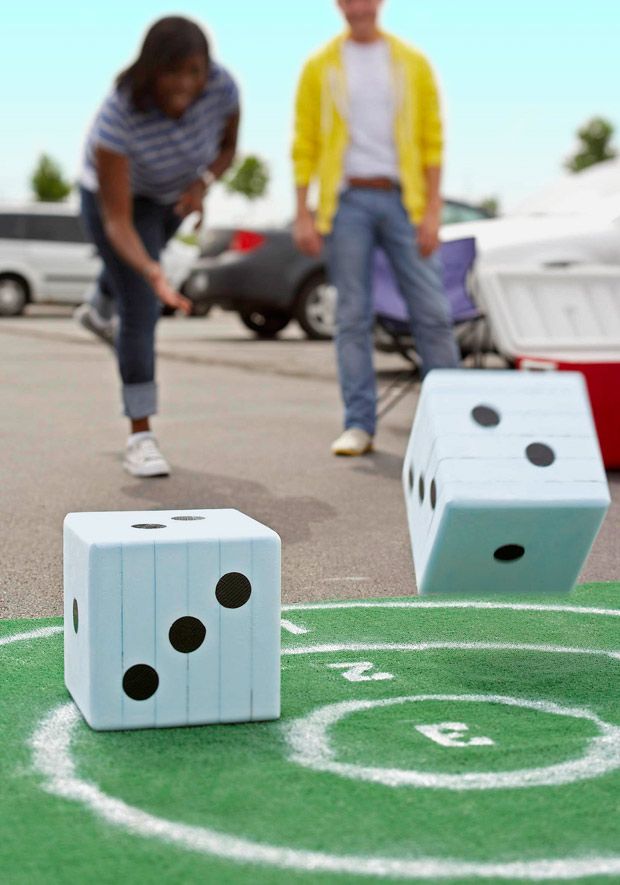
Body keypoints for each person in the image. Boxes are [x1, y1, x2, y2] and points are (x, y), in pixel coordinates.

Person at [292, 0, 460, 456]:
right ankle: (359, 424)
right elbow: (304, 141)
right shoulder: (319, 65)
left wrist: (432, 211)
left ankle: (454, 425)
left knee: (433, 312)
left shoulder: (412, 62)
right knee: (352, 314)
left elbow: (432, 138)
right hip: (347, 203)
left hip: (404, 201)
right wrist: (303, 212)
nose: (357, 6)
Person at [77, 16, 239, 476]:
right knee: (141, 303)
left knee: (131, 280)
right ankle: (141, 436)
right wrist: (152, 271)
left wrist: (203, 184)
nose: (186, 84)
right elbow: (118, 222)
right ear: (152, 70)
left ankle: (96, 307)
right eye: (175, 72)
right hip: (114, 202)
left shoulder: (222, 88)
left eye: (195, 71)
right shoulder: (120, 115)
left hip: (171, 198)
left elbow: (228, 148)